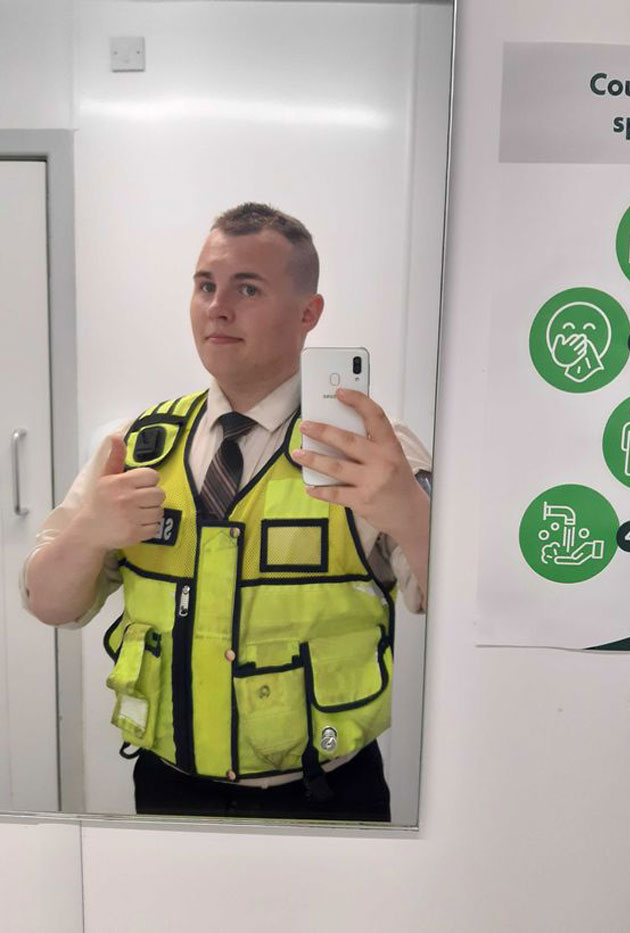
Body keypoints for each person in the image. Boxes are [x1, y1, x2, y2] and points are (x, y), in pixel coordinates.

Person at [22, 203, 431, 822]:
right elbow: (48, 604)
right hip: (168, 792)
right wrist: (88, 533)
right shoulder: (134, 445)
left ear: (308, 313)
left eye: (248, 288)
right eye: (205, 286)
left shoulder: (374, 454)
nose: (218, 306)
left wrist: (411, 514)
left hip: (326, 801)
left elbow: (465, 615)